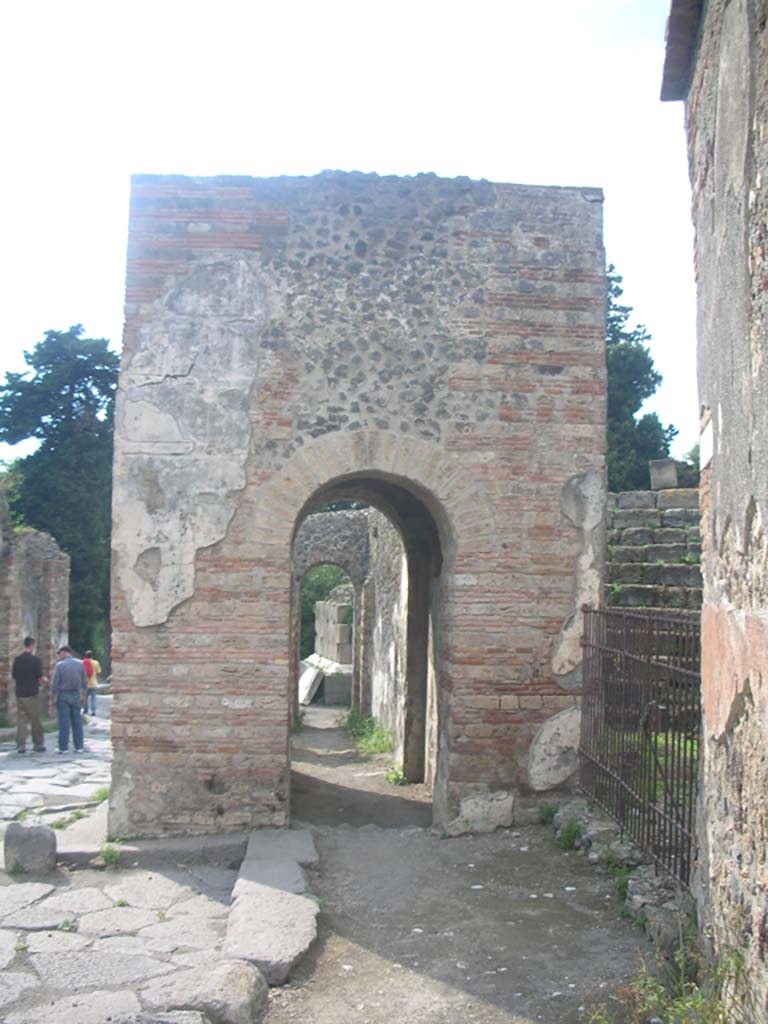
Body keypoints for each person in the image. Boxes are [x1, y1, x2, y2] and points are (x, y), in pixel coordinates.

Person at [11, 636, 47, 754]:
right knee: (35, 719)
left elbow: (14, 675)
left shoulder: (17, 659)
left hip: (20, 692)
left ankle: (20, 745)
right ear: (32, 645)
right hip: (32, 692)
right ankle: (38, 743)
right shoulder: (36, 660)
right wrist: (44, 681)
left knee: (21, 719)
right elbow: (39, 676)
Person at [50, 645, 88, 753]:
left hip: (63, 695)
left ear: (64, 652)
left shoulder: (60, 665)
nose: (60, 656)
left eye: (60, 653)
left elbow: (55, 684)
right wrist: (84, 696)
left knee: (64, 722)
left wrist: (53, 698)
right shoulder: (80, 664)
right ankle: (79, 746)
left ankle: (63, 747)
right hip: (76, 694)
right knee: (77, 721)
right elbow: (84, 682)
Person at [82, 649, 101, 716]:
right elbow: (99, 673)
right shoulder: (96, 662)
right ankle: (93, 711)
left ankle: (85, 710)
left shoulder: (83, 662)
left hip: (85, 683)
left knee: (85, 697)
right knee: (93, 698)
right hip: (93, 683)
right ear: (92, 655)